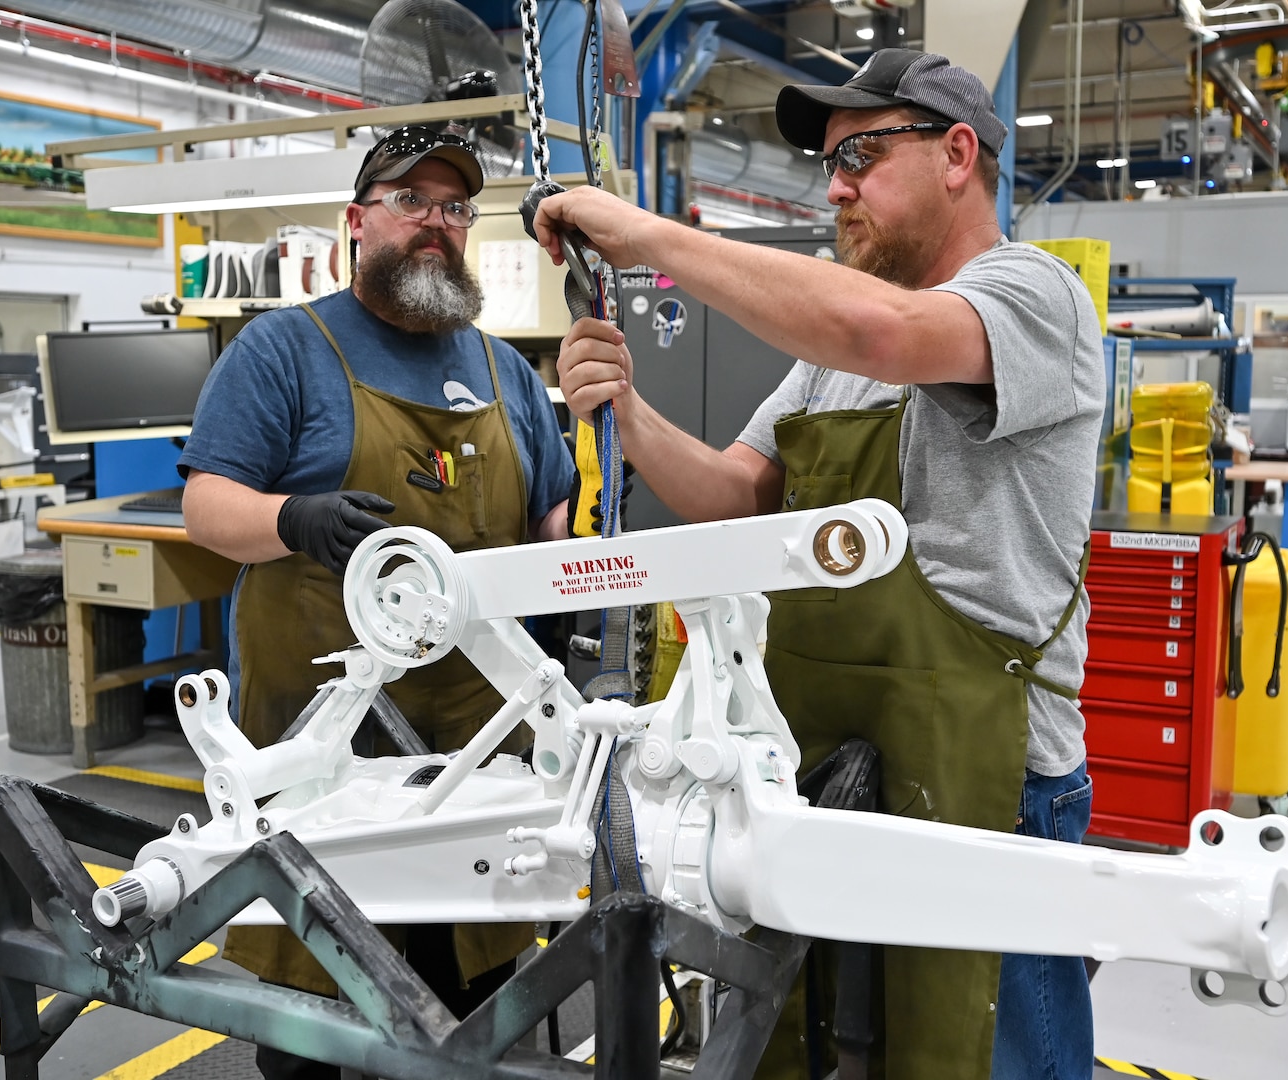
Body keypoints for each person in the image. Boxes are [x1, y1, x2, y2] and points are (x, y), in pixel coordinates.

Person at [536, 50, 1104, 1080]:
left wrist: (649, 235)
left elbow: (883, 331)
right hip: (820, 769)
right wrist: (623, 411)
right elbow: (738, 493)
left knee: (978, 1058)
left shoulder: (1033, 296)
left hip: (988, 777)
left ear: (957, 154)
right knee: (810, 1052)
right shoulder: (827, 359)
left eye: (863, 155)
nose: (835, 185)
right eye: (829, 163)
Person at [178, 126, 573, 1080]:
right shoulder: (284, 349)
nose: (434, 223)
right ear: (357, 222)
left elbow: (553, 510)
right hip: (325, 750)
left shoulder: (504, 369)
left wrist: (561, 595)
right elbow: (205, 507)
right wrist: (295, 519)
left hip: (481, 753)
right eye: (410, 202)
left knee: (476, 1006)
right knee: (317, 1012)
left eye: (453, 208)